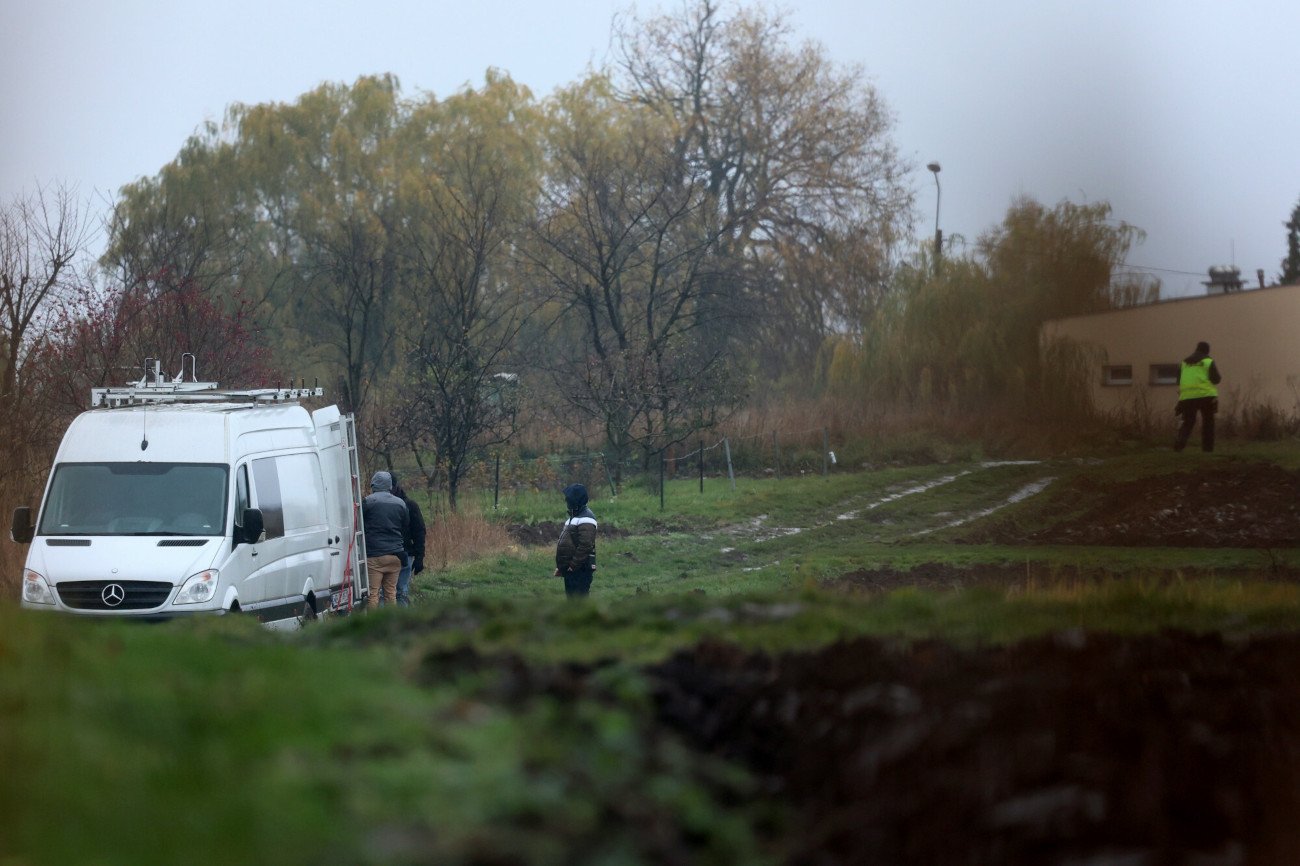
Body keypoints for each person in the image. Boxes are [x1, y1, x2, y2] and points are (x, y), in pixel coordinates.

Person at [361, 470, 408, 609]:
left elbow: (360, 524)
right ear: (390, 486)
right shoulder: (400, 503)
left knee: (373, 595)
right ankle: (391, 625)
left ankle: (373, 627)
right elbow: (405, 525)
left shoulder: (368, 502)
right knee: (391, 595)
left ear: (373, 484)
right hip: (395, 556)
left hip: (374, 556)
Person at [1175, 340, 1222, 453]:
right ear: (1207, 351)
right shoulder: (1208, 361)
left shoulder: (1183, 363)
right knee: (1208, 422)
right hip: (1205, 396)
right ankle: (1207, 450)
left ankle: (1178, 446)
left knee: (1188, 422)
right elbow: (1216, 379)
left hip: (1187, 397)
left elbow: (1178, 381)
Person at [553, 483, 597, 599]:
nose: (566, 501)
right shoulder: (573, 517)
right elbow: (569, 544)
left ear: (575, 500)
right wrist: (562, 567)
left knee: (579, 604)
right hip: (571, 571)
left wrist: (573, 565)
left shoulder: (587, 518)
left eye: (569, 499)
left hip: (580, 570)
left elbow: (585, 546)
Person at [389, 473, 426, 608]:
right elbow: (419, 531)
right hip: (405, 553)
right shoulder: (409, 505)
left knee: (386, 592)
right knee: (401, 591)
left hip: (389, 554)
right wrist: (419, 556)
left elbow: (419, 532)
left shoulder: (374, 505)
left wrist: (419, 556)